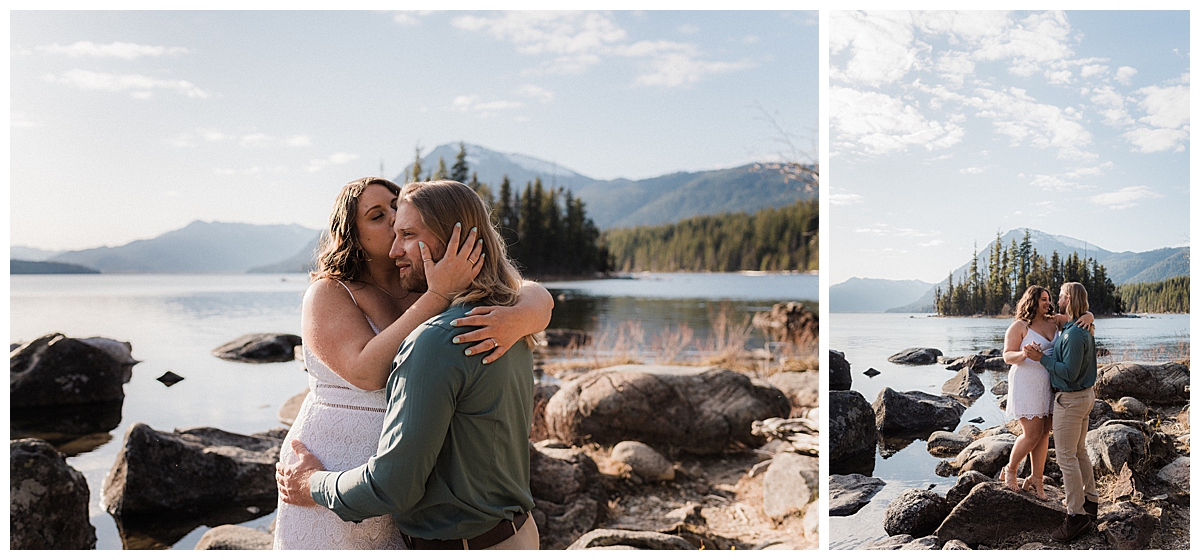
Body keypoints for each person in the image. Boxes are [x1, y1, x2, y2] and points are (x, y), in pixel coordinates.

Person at [272, 177, 552, 550]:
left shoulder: (464, 313)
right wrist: (437, 295)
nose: (391, 221)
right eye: (378, 216)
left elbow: (527, 292)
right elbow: (366, 373)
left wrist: (525, 313)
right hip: (342, 469)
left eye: (396, 209)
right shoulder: (336, 292)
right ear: (351, 235)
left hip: (390, 489)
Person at [999, 285, 1092, 500]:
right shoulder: (1019, 326)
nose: (1048, 303)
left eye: (1049, 299)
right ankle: (1010, 470)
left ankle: (1037, 480)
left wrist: (1089, 315)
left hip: (1049, 383)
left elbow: (1077, 314)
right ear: (1031, 301)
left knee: (1043, 435)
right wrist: (1024, 354)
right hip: (1027, 382)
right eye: (1043, 299)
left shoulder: (1054, 321)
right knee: (1031, 434)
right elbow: (1006, 356)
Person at [1024, 282, 1099, 542]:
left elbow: (1069, 372)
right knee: (1079, 452)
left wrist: (1040, 359)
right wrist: (1089, 315)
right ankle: (1090, 503)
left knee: (1066, 458)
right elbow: (1038, 314)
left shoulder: (1075, 334)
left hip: (1071, 400)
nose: (1057, 299)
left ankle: (1076, 517)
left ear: (1069, 298)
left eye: (1061, 295)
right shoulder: (1076, 325)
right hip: (1083, 398)